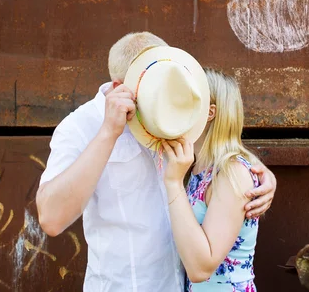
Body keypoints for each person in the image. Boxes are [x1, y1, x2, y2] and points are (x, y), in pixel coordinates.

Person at [36, 32, 276, 292]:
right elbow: (51, 218)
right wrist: (108, 133)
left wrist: (257, 175)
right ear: (120, 88)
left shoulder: (170, 110)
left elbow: (221, 157)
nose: (163, 99)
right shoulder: (81, 127)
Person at [163, 68, 261, 291]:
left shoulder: (231, 173)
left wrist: (173, 183)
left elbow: (200, 269)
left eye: (184, 101)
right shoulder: (198, 167)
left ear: (209, 112)